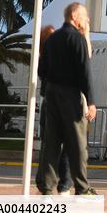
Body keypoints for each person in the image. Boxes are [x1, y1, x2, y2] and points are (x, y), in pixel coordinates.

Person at [37, 2, 97, 196]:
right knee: (78, 144)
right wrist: (91, 101)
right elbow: (85, 72)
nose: (86, 20)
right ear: (74, 16)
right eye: (84, 16)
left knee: (51, 142)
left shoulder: (52, 40)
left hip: (51, 94)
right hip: (70, 94)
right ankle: (82, 187)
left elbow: (41, 70)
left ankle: (46, 187)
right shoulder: (77, 39)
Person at [38, 25, 72, 195]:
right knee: (50, 147)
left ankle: (62, 184)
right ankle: (48, 185)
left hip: (63, 104)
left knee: (64, 146)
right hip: (53, 105)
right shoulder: (46, 58)